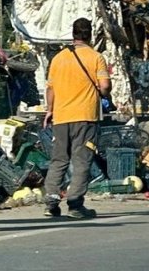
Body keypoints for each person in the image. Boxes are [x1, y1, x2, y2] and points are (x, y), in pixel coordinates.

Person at [42, 18, 109, 219]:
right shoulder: (96, 57)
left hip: (61, 117)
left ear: (73, 34)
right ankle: (75, 205)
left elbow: (50, 88)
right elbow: (104, 86)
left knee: (58, 159)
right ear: (90, 34)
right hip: (85, 117)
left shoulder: (58, 59)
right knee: (81, 161)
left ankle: (51, 203)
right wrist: (103, 92)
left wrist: (50, 110)